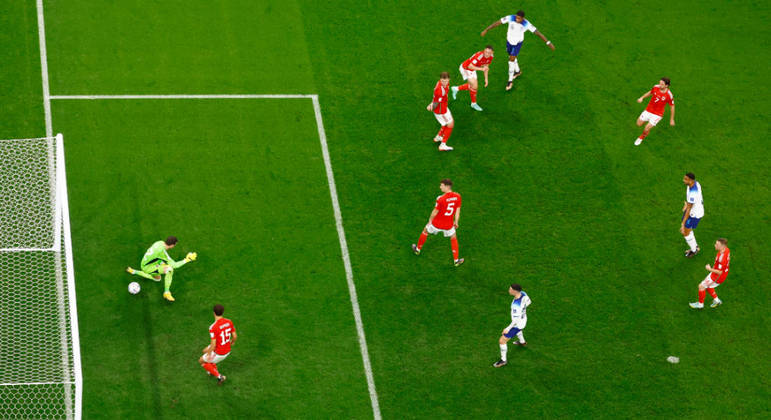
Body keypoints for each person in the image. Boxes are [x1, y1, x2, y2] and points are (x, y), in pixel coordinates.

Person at [481, 10, 555, 91]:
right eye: (516, 17)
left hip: (517, 44)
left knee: (511, 60)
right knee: (510, 56)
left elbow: (538, 33)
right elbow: (498, 22)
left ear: (523, 18)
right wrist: (486, 29)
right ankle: (518, 72)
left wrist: (548, 42)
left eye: (519, 18)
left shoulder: (526, 24)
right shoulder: (511, 17)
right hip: (509, 41)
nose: (516, 19)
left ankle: (510, 81)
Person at [126, 236, 197, 302]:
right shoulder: (162, 253)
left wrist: (160, 263)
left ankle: (133, 271)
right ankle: (166, 292)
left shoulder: (159, 242)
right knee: (170, 269)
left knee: (157, 278)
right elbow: (175, 265)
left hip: (146, 262)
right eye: (175, 244)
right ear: (172, 245)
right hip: (148, 267)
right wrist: (187, 260)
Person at [411, 179, 464, 266]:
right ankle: (456, 260)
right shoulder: (458, 196)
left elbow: (435, 212)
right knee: (453, 237)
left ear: (447, 186)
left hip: (437, 223)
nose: (440, 187)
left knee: (425, 231)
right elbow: (458, 211)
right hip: (448, 225)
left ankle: (417, 250)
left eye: (441, 185)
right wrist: (456, 221)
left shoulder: (441, 199)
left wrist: (430, 221)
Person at [493, 284, 531, 368]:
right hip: (523, 319)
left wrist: (507, 328)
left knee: (502, 340)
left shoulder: (516, 306)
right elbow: (529, 302)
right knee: (519, 330)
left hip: (517, 324)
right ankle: (522, 342)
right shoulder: (523, 293)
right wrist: (523, 310)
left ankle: (503, 360)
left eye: (510, 289)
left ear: (515, 291)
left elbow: (515, 320)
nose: (509, 290)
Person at [199, 304, 237, 384]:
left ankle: (220, 377)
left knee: (201, 361)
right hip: (227, 349)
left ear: (214, 313)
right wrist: (232, 341)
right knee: (204, 351)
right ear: (222, 312)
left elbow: (213, 344)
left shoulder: (213, 327)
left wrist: (209, 354)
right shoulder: (229, 321)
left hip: (219, 352)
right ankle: (211, 370)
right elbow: (234, 336)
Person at [690, 239, 731, 309]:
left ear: (722, 246)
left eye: (717, 245)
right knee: (709, 286)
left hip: (717, 276)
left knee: (701, 286)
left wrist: (709, 269)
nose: (715, 245)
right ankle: (717, 301)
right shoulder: (726, 249)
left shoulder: (722, 258)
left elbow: (719, 272)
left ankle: (700, 305)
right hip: (719, 274)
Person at [451, 46, 494, 111]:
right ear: (483, 51)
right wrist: (481, 69)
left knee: (473, 86)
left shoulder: (491, 57)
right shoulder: (479, 56)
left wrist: (486, 79)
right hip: (465, 68)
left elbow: (486, 67)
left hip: (473, 69)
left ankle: (456, 89)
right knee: (475, 86)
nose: (486, 54)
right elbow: (470, 66)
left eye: (489, 53)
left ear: (492, 53)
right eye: (485, 52)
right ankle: (473, 104)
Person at [634, 78, 675, 146]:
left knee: (646, 128)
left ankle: (641, 137)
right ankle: (647, 129)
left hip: (657, 114)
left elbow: (672, 106)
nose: (660, 85)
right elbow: (650, 92)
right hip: (648, 110)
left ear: (666, 86)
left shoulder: (669, 95)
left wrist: (672, 119)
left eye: (662, 84)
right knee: (638, 124)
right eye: (660, 83)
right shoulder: (656, 87)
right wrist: (642, 98)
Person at [428, 72, 455, 151]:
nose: (444, 83)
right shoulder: (440, 91)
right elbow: (436, 102)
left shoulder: (445, 84)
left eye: (446, 81)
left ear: (449, 79)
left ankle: (438, 137)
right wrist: (431, 107)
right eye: (443, 81)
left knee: (446, 123)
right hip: (441, 111)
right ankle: (442, 145)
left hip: (444, 106)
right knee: (450, 125)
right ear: (440, 80)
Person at [681, 173, 704, 258]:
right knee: (687, 231)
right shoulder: (695, 184)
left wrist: (683, 224)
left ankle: (694, 250)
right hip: (692, 211)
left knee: (685, 233)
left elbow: (689, 209)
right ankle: (695, 247)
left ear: (691, 180)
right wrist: (686, 204)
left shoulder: (693, 194)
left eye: (686, 179)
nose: (684, 181)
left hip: (694, 214)